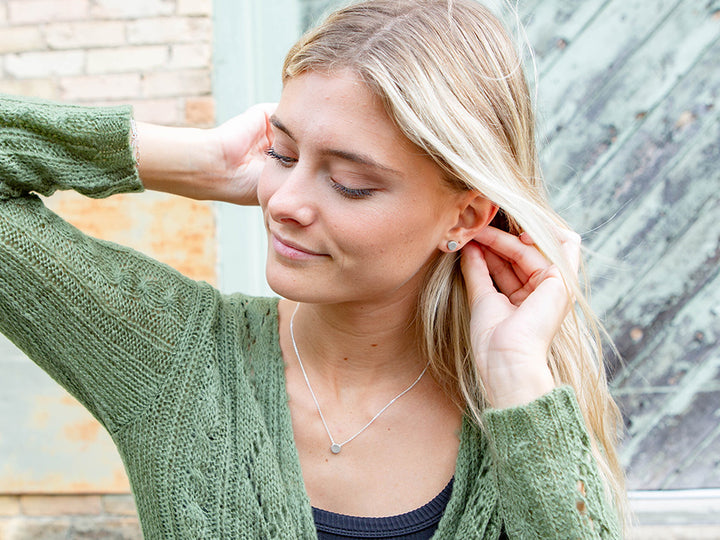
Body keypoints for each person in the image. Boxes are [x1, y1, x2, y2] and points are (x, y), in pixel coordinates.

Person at [0, 0, 626, 538]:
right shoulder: (176, 357)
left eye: (351, 184)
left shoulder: (525, 419)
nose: (285, 201)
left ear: (464, 217)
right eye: (283, 151)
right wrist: (189, 160)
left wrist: (516, 375)